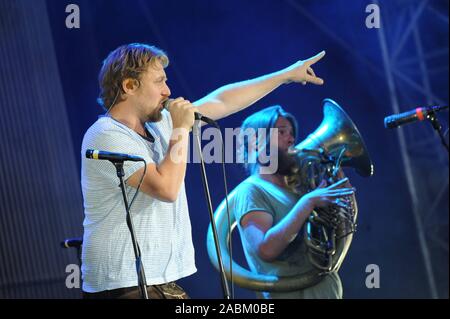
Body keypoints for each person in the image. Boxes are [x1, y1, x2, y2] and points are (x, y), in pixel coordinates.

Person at [80, 43, 326, 299]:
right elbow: (166, 189)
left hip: (155, 281)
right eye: (159, 82)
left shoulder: (158, 125)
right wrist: (179, 131)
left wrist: (285, 75)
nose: (168, 91)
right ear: (129, 86)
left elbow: (221, 100)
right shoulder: (106, 135)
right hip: (121, 285)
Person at [225, 105, 355, 299]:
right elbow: (266, 249)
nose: (292, 139)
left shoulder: (298, 188)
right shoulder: (251, 190)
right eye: (281, 132)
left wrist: (340, 191)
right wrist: (306, 204)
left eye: (292, 133)